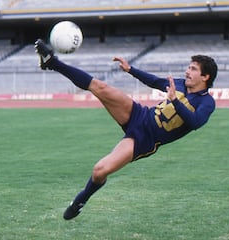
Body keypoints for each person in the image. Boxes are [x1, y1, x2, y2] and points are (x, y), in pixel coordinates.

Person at [34, 39, 218, 220]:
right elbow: (154, 81)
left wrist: (175, 101)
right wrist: (130, 70)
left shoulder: (207, 102)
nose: (187, 71)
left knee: (99, 171)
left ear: (205, 77)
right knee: (100, 87)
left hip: (145, 140)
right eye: (189, 67)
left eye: (193, 69)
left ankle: (80, 201)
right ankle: (52, 62)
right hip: (139, 115)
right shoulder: (178, 83)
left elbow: (195, 123)